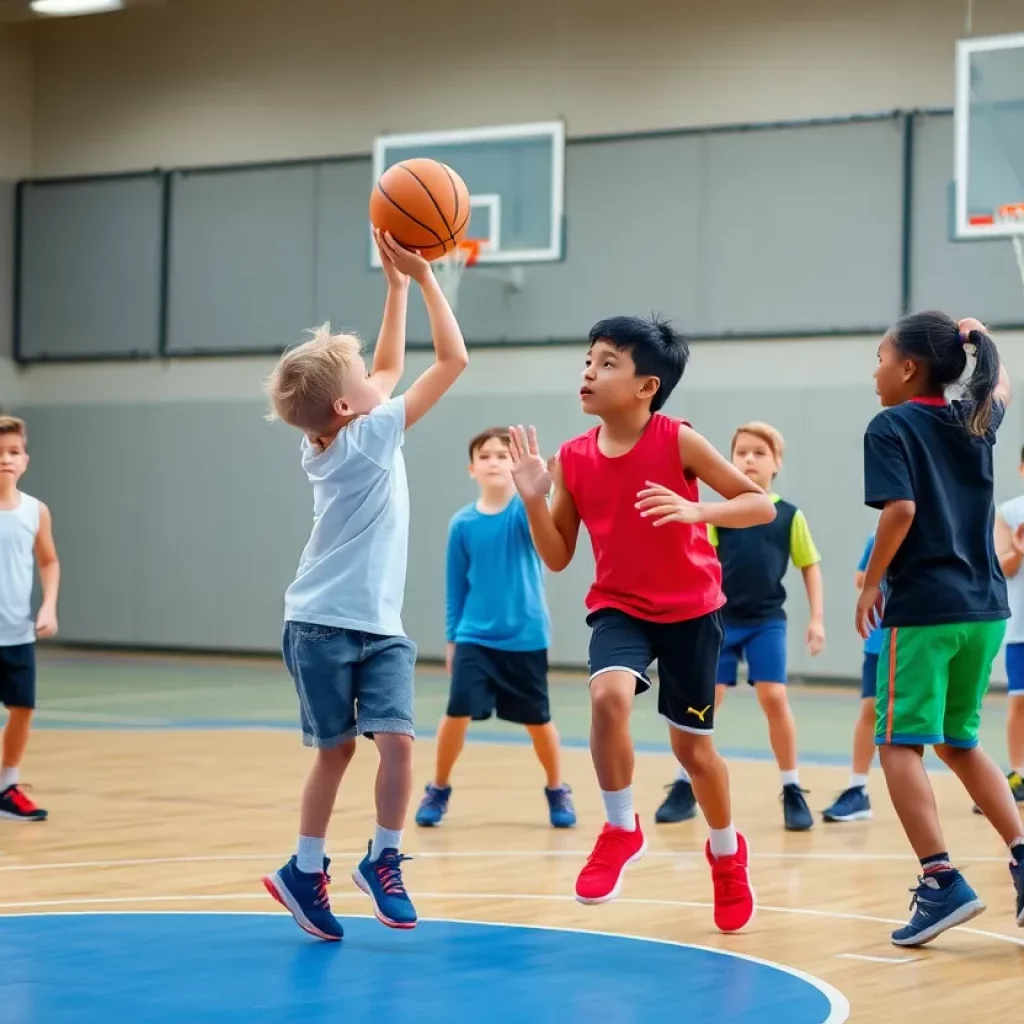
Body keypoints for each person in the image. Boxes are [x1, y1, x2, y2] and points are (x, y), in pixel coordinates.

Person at [509, 315, 775, 933]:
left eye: (607, 363)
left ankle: (728, 855)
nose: (589, 371)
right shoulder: (572, 459)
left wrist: (695, 507)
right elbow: (557, 555)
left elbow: (758, 504)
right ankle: (621, 826)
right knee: (607, 696)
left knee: (692, 749)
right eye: (588, 359)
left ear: (646, 386)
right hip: (619, 606)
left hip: (692, 610)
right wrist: (531, 496)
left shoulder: (678, 439)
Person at [261, 231, 468, 941]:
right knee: (341, 750)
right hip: (324, 623)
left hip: (373, 623)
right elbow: (452, 360)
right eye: (359, 383)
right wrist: (429, 277)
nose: (375, 379)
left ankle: (380, 859)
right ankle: (307, 869)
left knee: (397, 743)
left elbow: (382, 366)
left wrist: (395, 289)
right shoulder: (373, 435)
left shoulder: (328, 435)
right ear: (351, 409)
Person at [856, 311, 1024, 946]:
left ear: (907, 368)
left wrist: (872, 581)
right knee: (960, 740)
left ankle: (940, 880)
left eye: (879, 357)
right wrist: (980, 339)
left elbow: (900, 509)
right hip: (985, 608)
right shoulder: (975, 419)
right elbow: (1000, 383)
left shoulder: (890, 425)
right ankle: (1023, 856)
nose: (873, 370)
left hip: (925, 606)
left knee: (898, 744)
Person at [655, 422, 823, 831]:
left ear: (777, 463)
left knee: (774, 696)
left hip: (766, 622)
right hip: (719, 620)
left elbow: (809, 566)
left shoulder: (788, 515)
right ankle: (684, 784)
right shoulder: (719, 513)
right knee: (705, 699)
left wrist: (817, 618)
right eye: (741, 452)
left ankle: (792, 786)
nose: (749, 459)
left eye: (759, 453)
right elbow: (699, 564)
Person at [415, 427, 575, 829]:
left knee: (539, 722)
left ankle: (557, 788)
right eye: (484, 456)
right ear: (472, 469)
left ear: (514, 465)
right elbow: (456, 586)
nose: (494, 462)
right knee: (456, 714)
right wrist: (452, 640)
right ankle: (438, 787)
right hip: (475, 638)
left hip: (526, 637)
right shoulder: (462, 524)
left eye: (502, 455)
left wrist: (543, 488)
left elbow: (546, 516)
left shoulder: (525, 512)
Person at [0, 416, 60, 823]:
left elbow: (49, 560)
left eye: (13, 452)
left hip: (17, 633)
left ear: (25, 459)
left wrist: (48, 606)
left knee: (22, 708)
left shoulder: (35, 511)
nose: (6, 459)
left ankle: (7, 785)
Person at [822, 532, 880, 823]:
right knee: (870, 708)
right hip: (880, 640)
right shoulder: (880, 536)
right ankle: (858, 789)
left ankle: (983, 787)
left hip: (921, 638)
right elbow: (861, 579)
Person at [977, 451, 1024, 811]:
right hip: (1020, 627)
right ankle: (1018, 773)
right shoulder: (1010, 512)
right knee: (1019, 701)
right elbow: (1001, 568)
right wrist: (1019, 551)